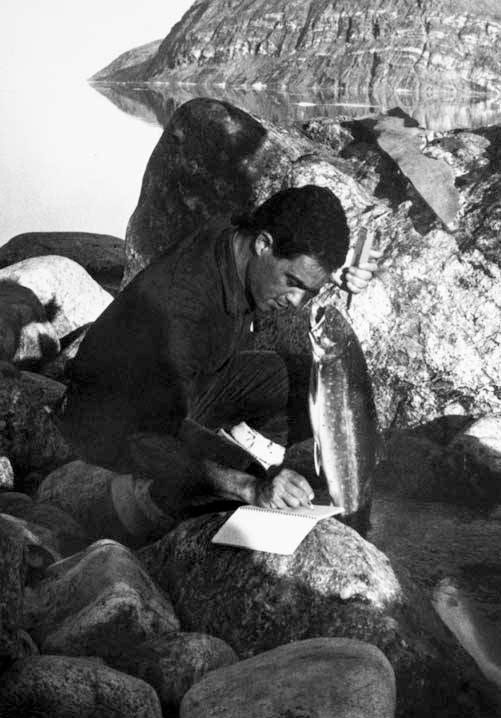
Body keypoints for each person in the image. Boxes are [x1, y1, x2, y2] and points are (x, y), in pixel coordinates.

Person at [59, 185, 380, 518]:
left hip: (190, 384)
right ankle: (137, 500)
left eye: (308, 290)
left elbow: (294, 218)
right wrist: (249, 485)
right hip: (115, 423)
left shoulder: (239, 236)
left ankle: (239, 452)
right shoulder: (183, 310)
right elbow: (146, 436)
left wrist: (330, 274)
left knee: (292, 376)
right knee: (240, 490)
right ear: (263, 244)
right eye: (293, 283)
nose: (297, 302)